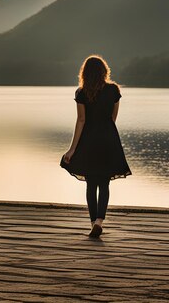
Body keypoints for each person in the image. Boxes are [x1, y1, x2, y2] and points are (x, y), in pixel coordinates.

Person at [60, 55, 132, 238]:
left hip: (89, 140)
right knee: (105, 183)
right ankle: (100, 221)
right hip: (109, 138)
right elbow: (113, 118)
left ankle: (93, 223)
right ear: (104, 71)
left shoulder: (82, 92)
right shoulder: (114, 90)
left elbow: (81, 120)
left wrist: (72, 149)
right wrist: (106, 132)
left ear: (85, 73)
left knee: (91, 184)